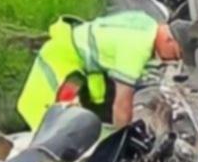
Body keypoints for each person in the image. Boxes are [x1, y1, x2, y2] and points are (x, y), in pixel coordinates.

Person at [16, 11, 185, 130]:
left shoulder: (148, 23)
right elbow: (122, 105)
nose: (172, 61)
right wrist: (121, 144)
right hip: (62, 61)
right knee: (50, 121)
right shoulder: (137, 47)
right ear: (169, 40)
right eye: (176, 55)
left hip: (78, 63)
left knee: (78, 117)